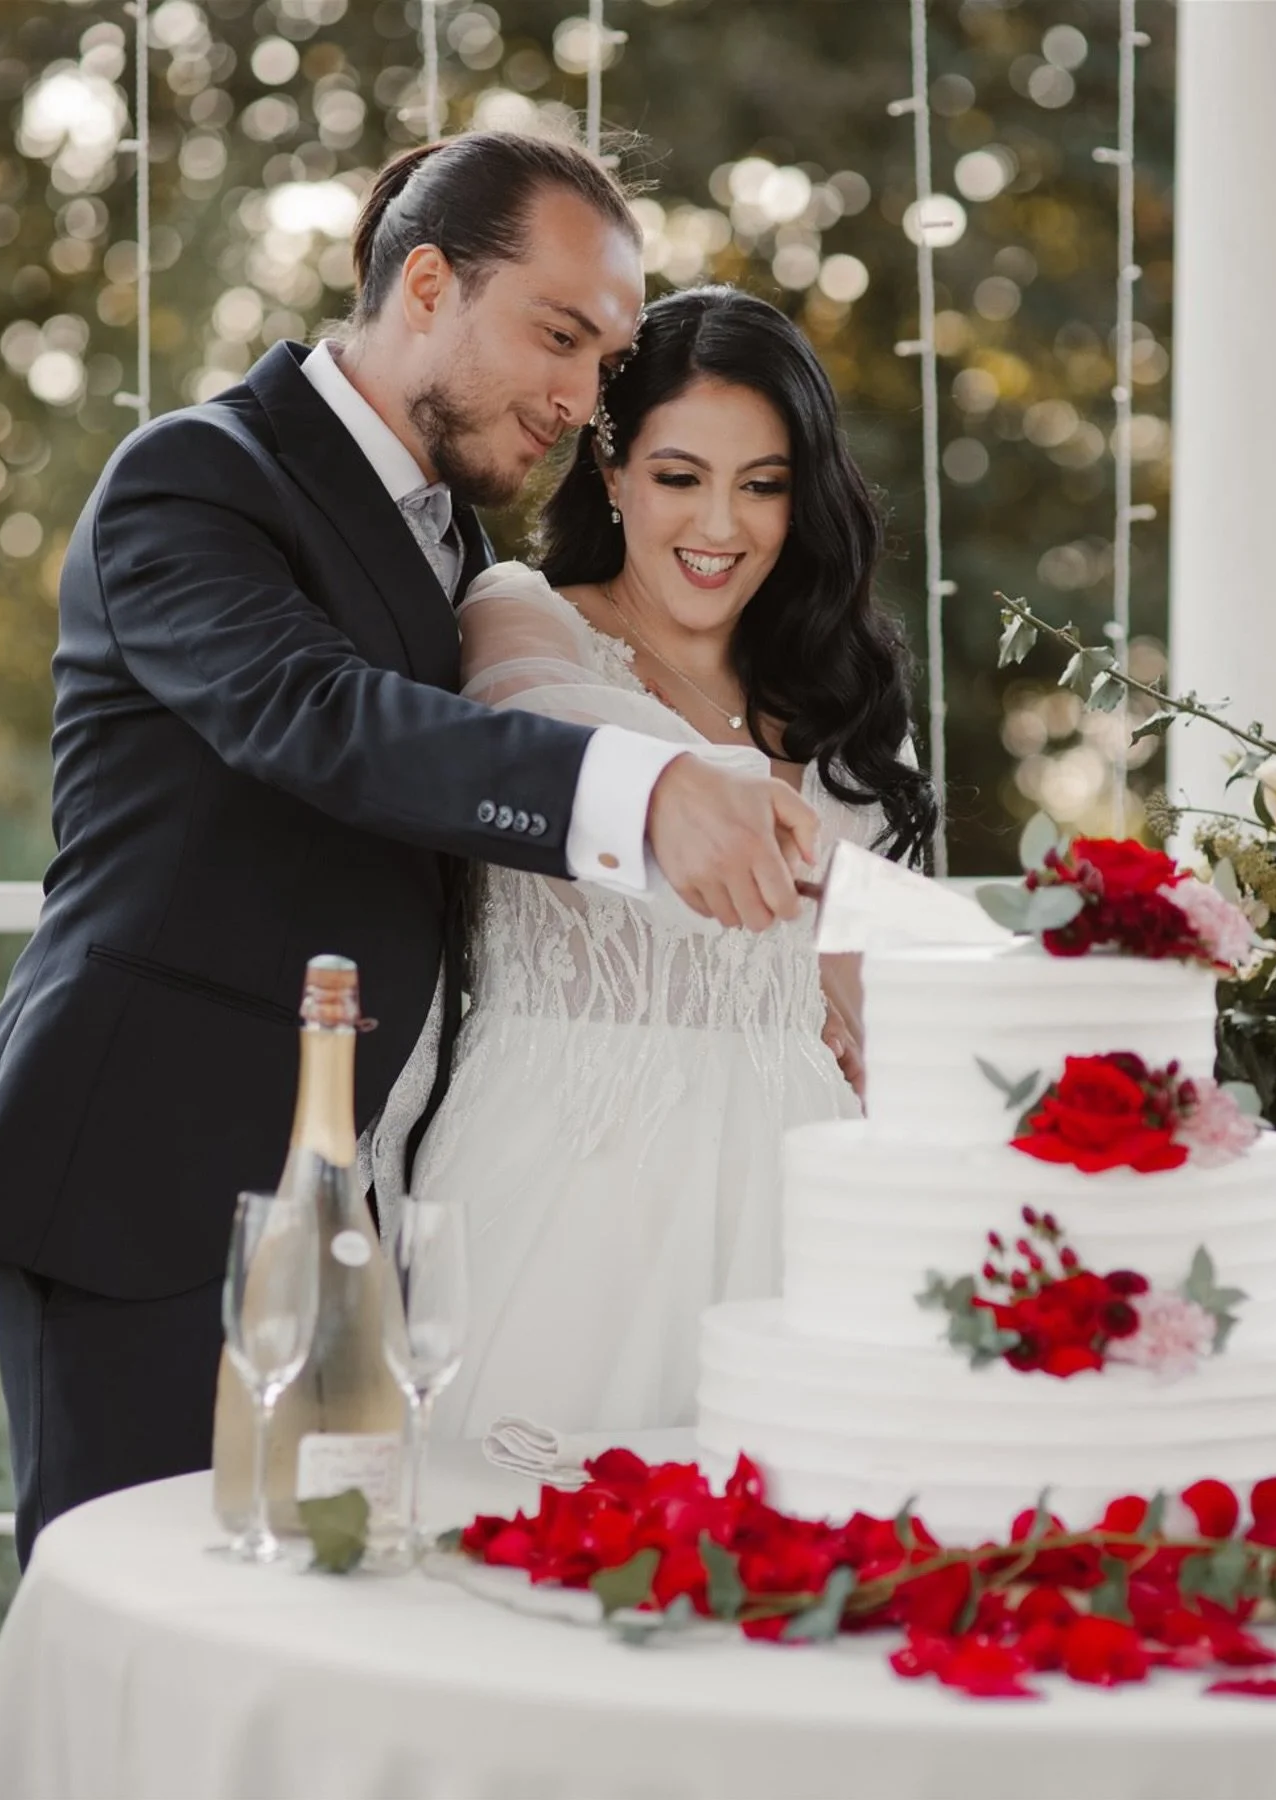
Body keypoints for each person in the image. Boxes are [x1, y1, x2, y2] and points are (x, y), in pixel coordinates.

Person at [0, 136, 820, 1567]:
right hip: (149, 1173)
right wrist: (640, 790)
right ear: (425, 282)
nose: (584, 396)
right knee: (150, 1622)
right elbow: (316, 714)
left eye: (607, 356)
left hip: (365, 1191)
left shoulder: (455, 538)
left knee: (315, 1617)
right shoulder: (194, 477)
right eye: (559, 336)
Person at [367, 286, 938, 1439]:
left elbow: (901, 1000)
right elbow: (538, 717)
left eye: (762, 484)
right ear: (614, 474)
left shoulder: (844, 700)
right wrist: (786, 870)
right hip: (568, 1184)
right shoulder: (524, 616)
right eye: (680, 477)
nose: (719, 524)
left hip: (803, 1203)